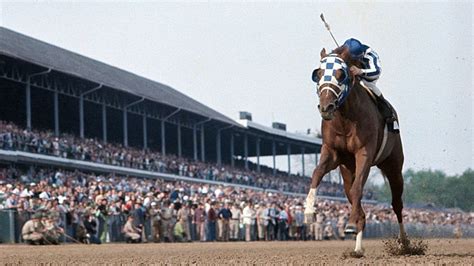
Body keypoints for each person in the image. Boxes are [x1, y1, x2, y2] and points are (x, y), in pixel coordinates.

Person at [342, 38, 399, 133]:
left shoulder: (371, 56)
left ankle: (389, 116)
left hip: (367, 78)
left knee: (368, 85)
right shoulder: (344, 51)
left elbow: (377, 72)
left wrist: (360, 71)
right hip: (350, 76)